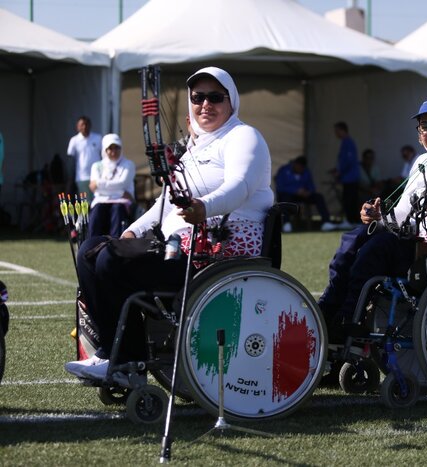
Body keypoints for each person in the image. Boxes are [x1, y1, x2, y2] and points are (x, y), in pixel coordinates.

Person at [64, 66, 274, 381]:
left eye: (215, 97)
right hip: (179, 249)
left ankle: (127, 361)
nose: (205, 105)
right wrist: (134, 228)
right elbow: (164, 204)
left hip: (216, 256)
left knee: (109, 260)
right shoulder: (194, 148)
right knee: (91, 250)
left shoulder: (243, 136)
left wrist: (204, 207)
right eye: (198, 97)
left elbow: (240, 185)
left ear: (232, 101)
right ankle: (112, 352)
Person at [317, 98, 427, 342]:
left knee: (375, 249)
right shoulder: (422, 162)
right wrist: (378, 216)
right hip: (418, 243)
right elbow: (402, 215)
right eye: (424, 126)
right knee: (355, 238)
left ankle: (346, 321)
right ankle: (327, 313)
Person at [87, 134, 136, 238]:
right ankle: (92, 244)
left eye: (116, 148)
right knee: (97, 212)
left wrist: (100, 185)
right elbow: (93, 188)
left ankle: (115, 245)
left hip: (121, 203)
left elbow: (123, 183)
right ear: (105, 149)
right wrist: (121, 192)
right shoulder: (97, 166)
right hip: (101, 201)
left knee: (117, 210)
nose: (113, 152)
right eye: (110, 148)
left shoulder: (128, 164)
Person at [275, 156, 335, 232]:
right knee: (285, 199)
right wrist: (295, 191)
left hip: (303, 195)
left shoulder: (306, 171)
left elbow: (312, 186)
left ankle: (326, 222)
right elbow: (280, 187)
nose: (300, 169)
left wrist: (308, 192)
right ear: (295, 164)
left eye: (302, 168)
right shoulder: (284, 170)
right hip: (288, 195)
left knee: (319, 197)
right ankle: (286, 223)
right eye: (299, 167)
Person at [329, 121, 360, 229]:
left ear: (342, 130)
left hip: (350, 177)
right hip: (347, 177)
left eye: (337, 131)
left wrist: (339, 171)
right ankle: (350, 220)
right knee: (348, 198)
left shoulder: (348, 142)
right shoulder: (345, 142)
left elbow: (349, 161)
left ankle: (350, 220)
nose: (336, 133)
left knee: (349, 199)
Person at [66, 116, 102, 204]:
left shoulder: (98, 138)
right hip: (81, 177)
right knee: (85, 203)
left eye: (86, 124)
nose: (84, 127)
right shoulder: (74, 140)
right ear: (77, 127)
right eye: (82, 125)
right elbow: (71, 160)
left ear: (90, 125)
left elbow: (103, 155)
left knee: (97, 202)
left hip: (97, 176)